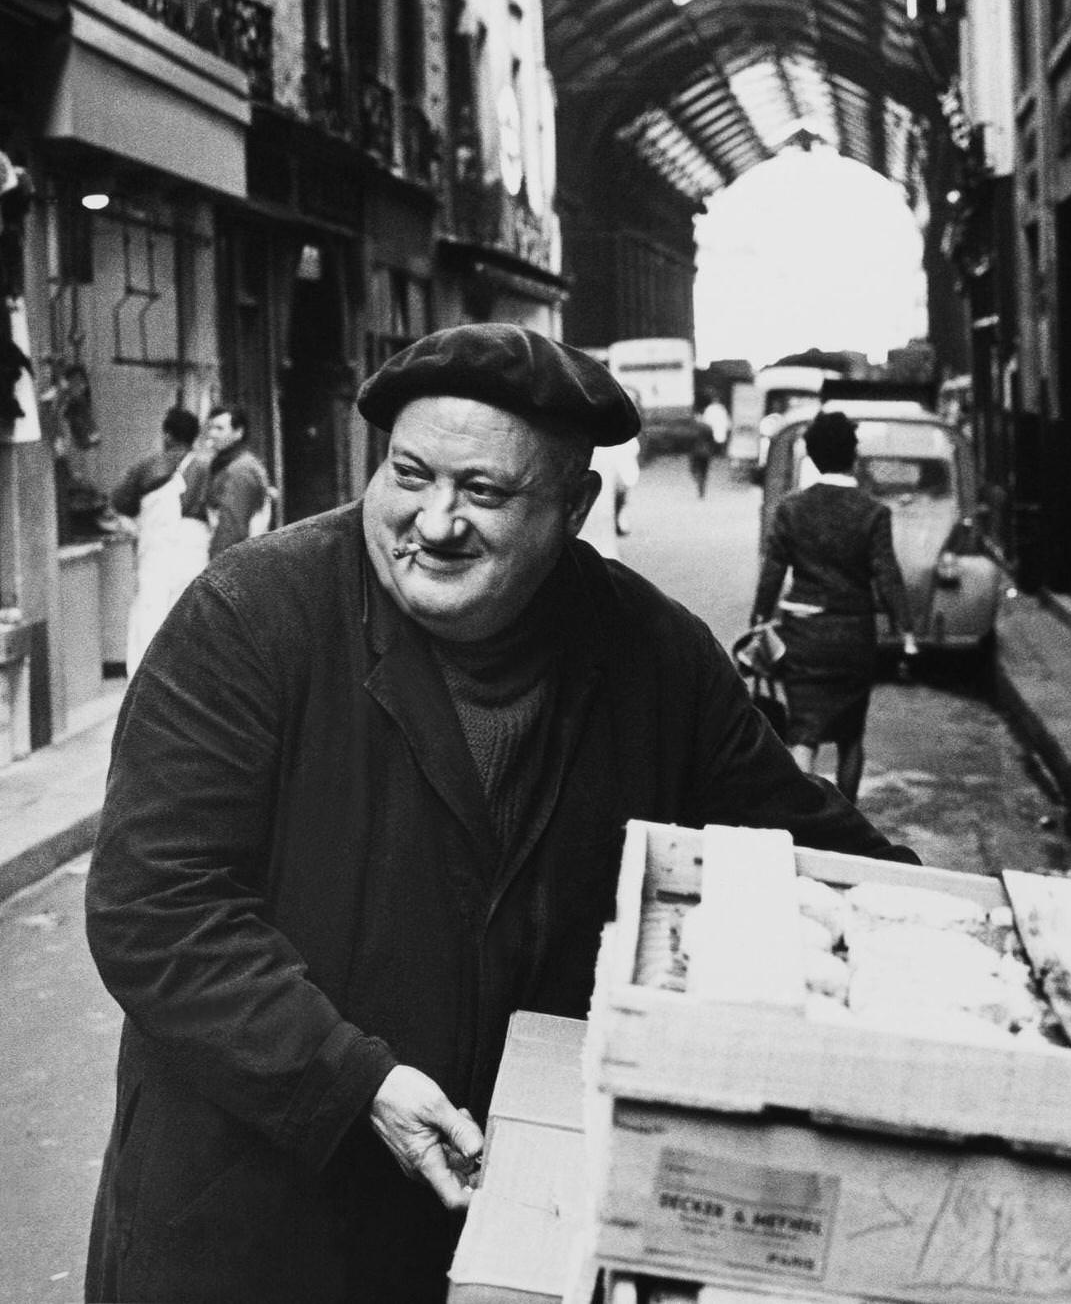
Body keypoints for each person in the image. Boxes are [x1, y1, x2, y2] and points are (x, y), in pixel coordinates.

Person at [85, 324, 917, 1304]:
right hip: (254, 1229)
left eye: (483, 491)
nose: (434, 523)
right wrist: (352, 1082)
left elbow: (804, 845)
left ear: (574, 507)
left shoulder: (654, 657)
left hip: (500, 1234)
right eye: (408, 475)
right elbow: (157, 908)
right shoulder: (251, 620)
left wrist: (989, 926)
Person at [751, 408, 918, 805]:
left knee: (802, 731)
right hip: (853, 637)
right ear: (853, 455)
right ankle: (846, 821)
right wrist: (906, 631)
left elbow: (773, 572)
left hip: (802, 635)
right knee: (850, 735)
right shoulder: (873, 512)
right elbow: (886, 573)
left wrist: (759, 621)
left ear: (811, 455)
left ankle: (801, 818)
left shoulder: (790, 509)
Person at [110, 407, 211, 674]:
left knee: (149, 616)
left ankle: (147, 684)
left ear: (166, 435)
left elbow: (120, 502)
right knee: (190, 615)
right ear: (195, 436)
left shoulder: (149, 466)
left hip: (155, 549)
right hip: (195, 549)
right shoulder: (207, 467)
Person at [205, 403, 273, 554]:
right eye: (210, 428)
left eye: (219, 428)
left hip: (235, 556)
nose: (212, 434)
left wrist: (218, 563)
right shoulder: (230, 464)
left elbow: (232, 526)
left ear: (238, 432)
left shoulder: (241, 469)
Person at [687, 402, 721, 498]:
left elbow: (689, 439)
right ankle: (702, 490)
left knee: (694, 469)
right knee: (704, 471)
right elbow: (712, 440)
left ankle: (698, 478)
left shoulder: (693, 427)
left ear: (697, 416)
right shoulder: (708, 427)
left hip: (695, 452)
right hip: (706, 452)